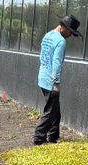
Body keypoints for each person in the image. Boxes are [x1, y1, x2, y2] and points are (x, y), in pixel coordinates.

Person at [33, 15, 82, 146]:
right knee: (50, 112)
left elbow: (42, 56)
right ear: (64, 27)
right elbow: (56, 62)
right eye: (70, 32)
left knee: (55, 110)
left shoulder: (48, 35)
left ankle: (53, 136)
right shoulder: (61, 41)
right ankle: (39, 137)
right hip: (50, 80)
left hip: (42, 76)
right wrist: (56, 83)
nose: (70, 35)